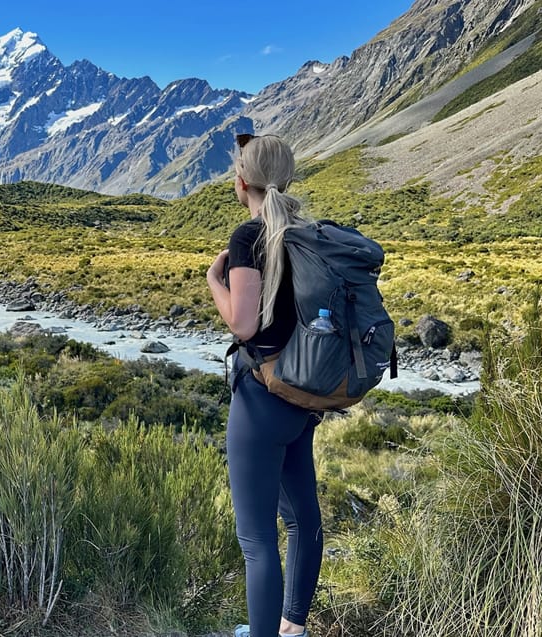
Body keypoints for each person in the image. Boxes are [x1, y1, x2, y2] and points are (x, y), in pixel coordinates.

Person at [206, 133, 323, 637]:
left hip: (262, 395)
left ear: (241, 182)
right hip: (304, 392)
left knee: (256, 538)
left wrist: (216, 280)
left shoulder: (248, 238)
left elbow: (244, 326)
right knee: (302, 520)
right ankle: (291, 629)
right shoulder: (309, 233)